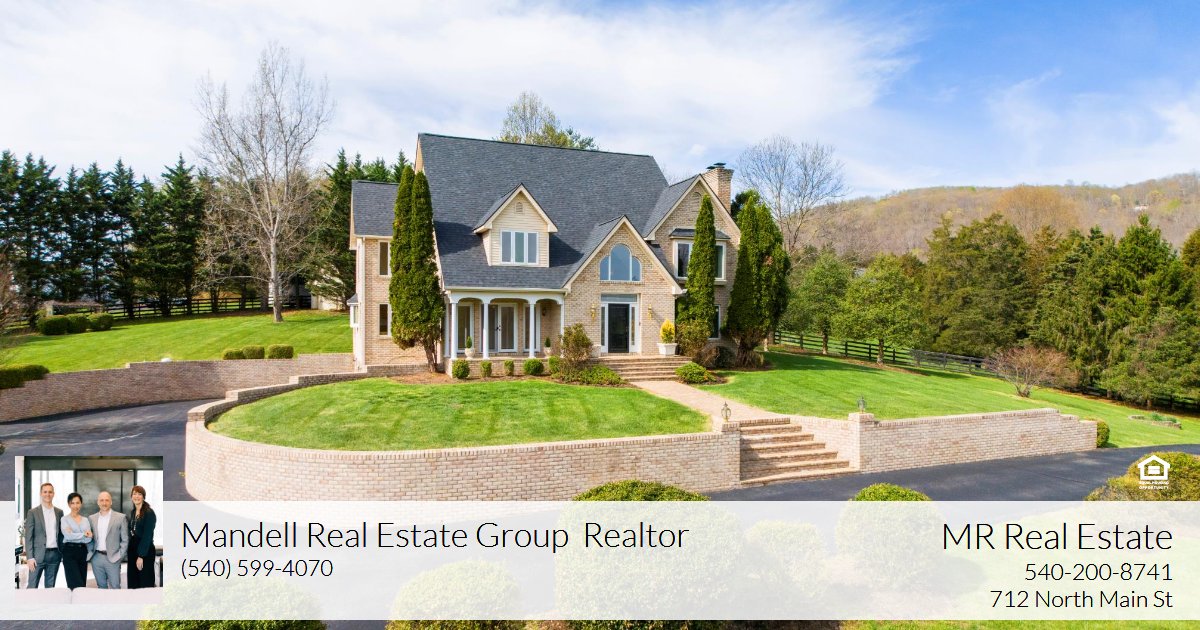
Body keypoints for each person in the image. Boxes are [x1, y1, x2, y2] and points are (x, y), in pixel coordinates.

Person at [22, 482, 63, 588]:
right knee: (32, 586)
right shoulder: (33, 512)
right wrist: (30, 557)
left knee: (50, 587)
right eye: (45, 492)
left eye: (50, 492)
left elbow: (61, 535)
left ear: (53, 494)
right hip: (37, 556)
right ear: (41, 493)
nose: (47, 494)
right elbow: (28, 537)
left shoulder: (59, 512)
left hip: (54, 555)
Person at [87, 491, 128, 589]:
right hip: (96, 558)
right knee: (101, 587)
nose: (104, 503)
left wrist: (119, 556)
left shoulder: (121, 517)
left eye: (107, 500)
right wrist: (91, 554)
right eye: (101, 500)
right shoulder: (92, 518)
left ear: (111, 502)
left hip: (113, 558)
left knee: (115, 587)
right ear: (98, 502)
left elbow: (125, 539)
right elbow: (89, 538)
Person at [59, 492, 94, 589]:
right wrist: (83, 534)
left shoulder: (85, 520)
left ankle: (80, 599)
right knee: (73, 582)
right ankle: (73, 598)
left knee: (82, 582)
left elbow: (88, 539)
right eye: (72, 503)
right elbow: (68, 536)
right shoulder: (64, 519)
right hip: (69, 551)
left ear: (81, 504)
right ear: (69, 504)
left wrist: (74, 534)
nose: (75, 506)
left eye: (78, 503)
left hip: (82, 551)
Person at [127, 485, 157, 589]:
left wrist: (141, 556)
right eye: (134, 494)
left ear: (143, 496)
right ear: (131, 496)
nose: (137, 496)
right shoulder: (133, 512)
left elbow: (147, 536)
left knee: (145, 581)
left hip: (145, 551)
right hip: (133, 550)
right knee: (133, 581)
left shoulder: (149, 513)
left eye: (139, 494)